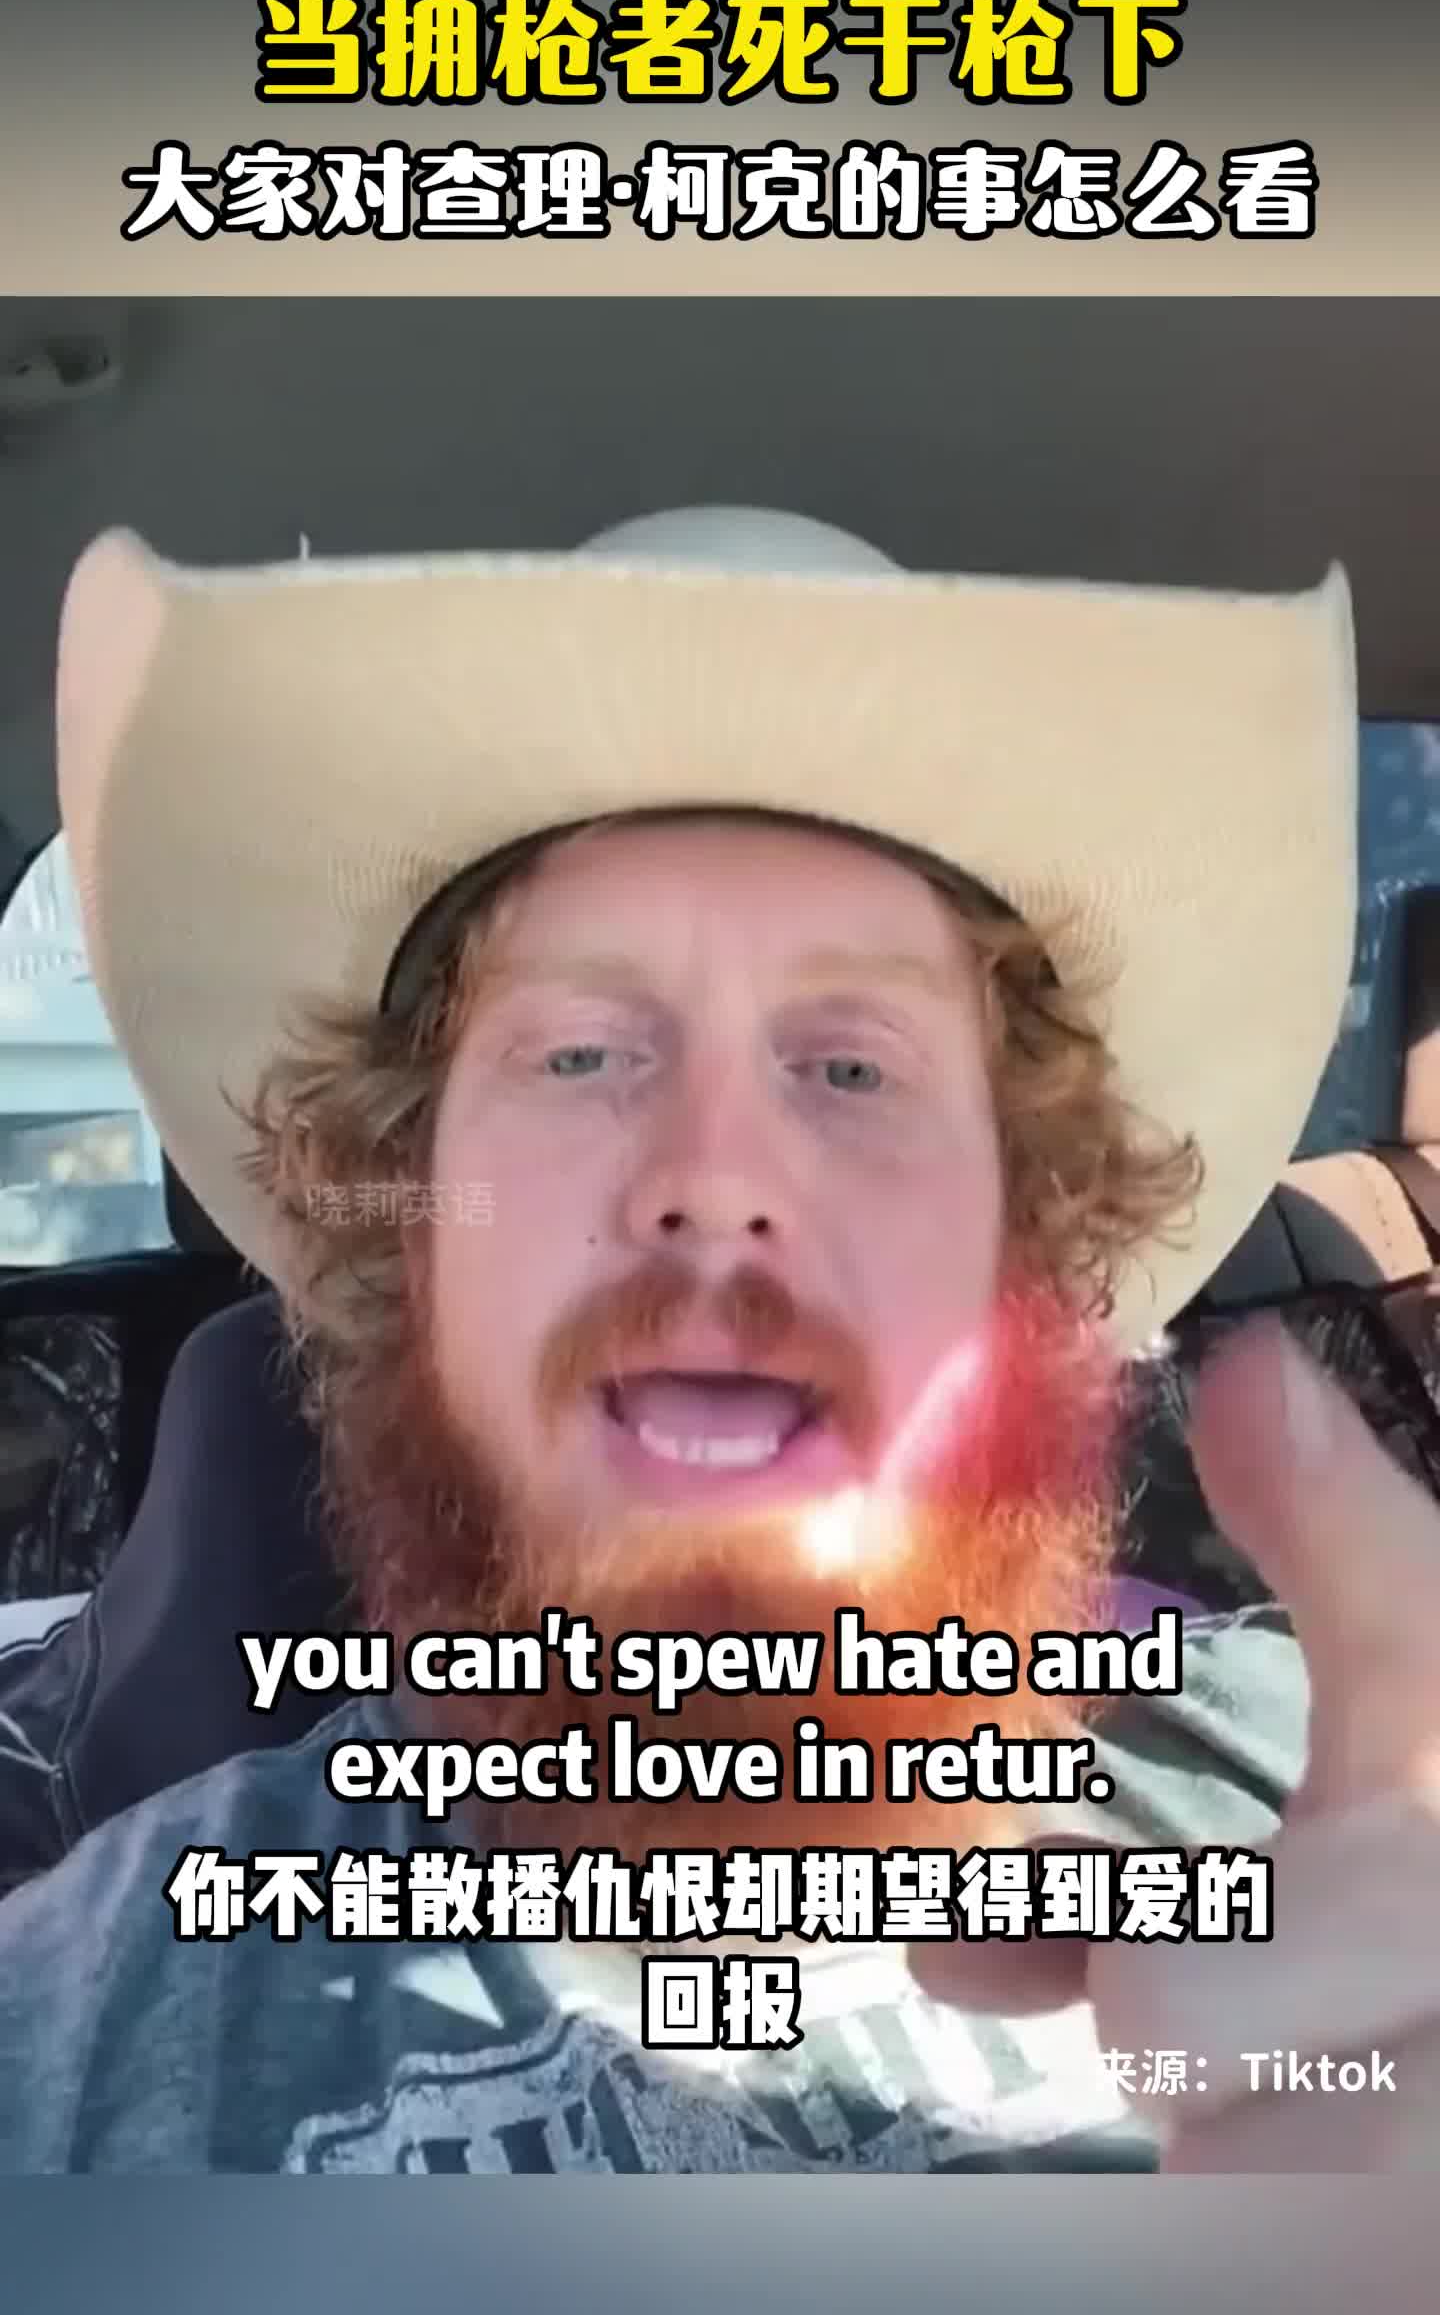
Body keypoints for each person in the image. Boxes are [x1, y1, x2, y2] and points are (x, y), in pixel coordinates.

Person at [0, 505, 1434, 2175]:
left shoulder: (1354, 1788)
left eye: (852, 1067)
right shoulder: (72, 2035)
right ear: (409, 1235)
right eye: (581, 1055)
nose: (716, 1179)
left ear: (1030, 1251)